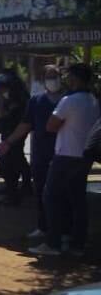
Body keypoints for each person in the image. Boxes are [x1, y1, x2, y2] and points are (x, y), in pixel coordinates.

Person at [31, 63, 99, 257]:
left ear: (76, 79)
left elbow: (51, 126)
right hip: (84, 155)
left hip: (66, 155)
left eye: (69, 77)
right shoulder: (93, 100)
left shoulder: (68, 100)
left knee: (51, 196)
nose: (66, 80)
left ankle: (53, 243)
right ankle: (77, 243)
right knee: (77, 200)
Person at [0, 65, 63, 238]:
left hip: (64, 154)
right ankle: (43, 227)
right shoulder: (36, 101)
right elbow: (25, 125)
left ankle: (64, 231)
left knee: (63, 194)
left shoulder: (67, 100)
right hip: (41, 153)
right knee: (42, 192)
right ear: (43, 80)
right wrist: (8, 142)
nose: (52, 80)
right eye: (49, 76)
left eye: (55, 76)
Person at [0, 70, 31, 207]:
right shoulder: (8, 99)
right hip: (8, 135)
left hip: (15, 135)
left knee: (7, 165)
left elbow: (9, 117)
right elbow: (0, 116)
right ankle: (18, 187)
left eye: (3, 88)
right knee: (16, 161)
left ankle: (13, 194)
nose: (1, 91)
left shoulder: (20, 100)